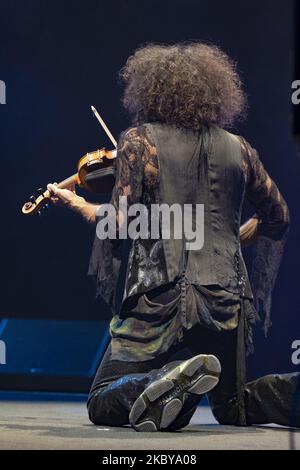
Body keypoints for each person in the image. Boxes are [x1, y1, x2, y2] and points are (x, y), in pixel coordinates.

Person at [48, 42, 299, 432]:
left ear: (150, 92)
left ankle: (164, 380)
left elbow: (118, 222)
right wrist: (235, 236)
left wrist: (74, 203)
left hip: (159, 295)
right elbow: (278, 218)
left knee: (102, 399)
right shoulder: (241, 149)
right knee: (234, 406)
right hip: (224, 299)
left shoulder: (139, 142)